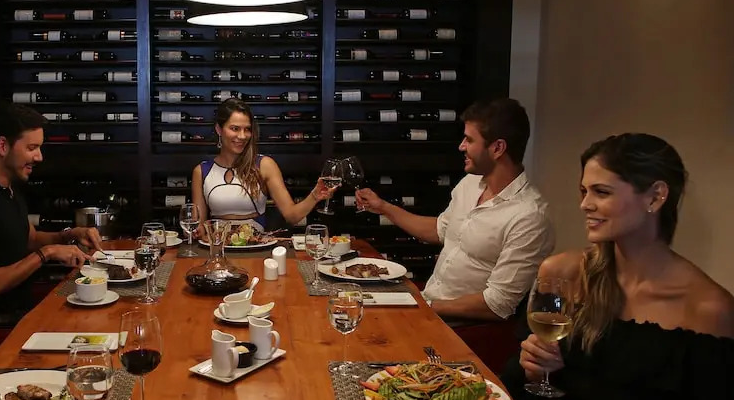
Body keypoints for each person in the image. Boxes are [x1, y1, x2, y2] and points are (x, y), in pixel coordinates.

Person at [505, 133, 734, 400]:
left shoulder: (708, 310)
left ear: (655, 197)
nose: (585, 204)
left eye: (601, 192)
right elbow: (516, 385)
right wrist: (533, 368)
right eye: (584, 191)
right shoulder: (563, 274)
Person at [356, 98, 554, 322]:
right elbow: (440, 230)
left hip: (466, 329)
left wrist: (424, 307)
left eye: (469, 140)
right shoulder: (470, 183)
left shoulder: (530, 217)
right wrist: (383, 207)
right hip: (429, 307)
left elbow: (497, 304)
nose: (461, 146)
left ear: (498, 148)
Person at [0, 103, 103, 324]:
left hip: (25, 312)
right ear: (2, 146)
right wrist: (46, 253)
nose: (39, 157)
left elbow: (29, 239)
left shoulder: (9, 191)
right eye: (32, 148)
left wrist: (69, 235)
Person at [190, 98, 337, 235]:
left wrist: (314, 196)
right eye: (235, 128)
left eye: (247, 129)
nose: (242, 136)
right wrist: (194, 231)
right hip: (217, 249)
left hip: (255, 248)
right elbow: (198, 226)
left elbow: (292, 216)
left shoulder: (264, 165)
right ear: (219, 129)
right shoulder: (201, 171)